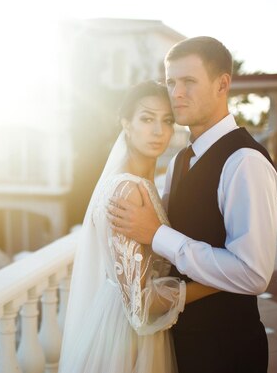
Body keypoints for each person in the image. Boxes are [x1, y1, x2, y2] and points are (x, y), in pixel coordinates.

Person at [108, 37, 277, 373]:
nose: (176, 93)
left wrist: (156, 234)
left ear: (222, 84)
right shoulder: (181, 159)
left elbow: (253, 273)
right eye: (171, 82)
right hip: (182, 342)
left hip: (227, 348)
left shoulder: (245, 161)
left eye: (189, 81)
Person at [59, 81, 220, 373]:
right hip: (126, 342)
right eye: (146, 119)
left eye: (167, 120)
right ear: (126, 124)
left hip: (132, 331)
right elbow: (140, 305)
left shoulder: (141, 183)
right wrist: (217, 282)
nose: (158, 131)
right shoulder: (127, 191)